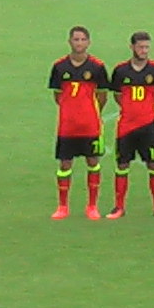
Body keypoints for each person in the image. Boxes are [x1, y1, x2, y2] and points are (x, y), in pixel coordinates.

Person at [48, 25, 109, 219]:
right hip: (67, 126)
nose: (79, 43)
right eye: (76, 39)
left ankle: (92, 206)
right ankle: (62, 206)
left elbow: (102, 96)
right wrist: (70, 109)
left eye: (83, 39)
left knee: (93, 162)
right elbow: (58, 96)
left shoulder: (97, 67)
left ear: (88, 42)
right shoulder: (59, 67)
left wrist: (91, 112)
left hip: (90, 126)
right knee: (65, 165)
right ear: (70, 42)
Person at [107, 31, 154, 219]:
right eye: (141, 47)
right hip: (126, 126)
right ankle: (119, 207)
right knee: (122, 165)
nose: (144, 50)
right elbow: (117, 95)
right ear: (132, 47)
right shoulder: (120, 71)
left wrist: (149, 110)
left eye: (147, 47)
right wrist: (130, 109)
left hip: (148, 126)